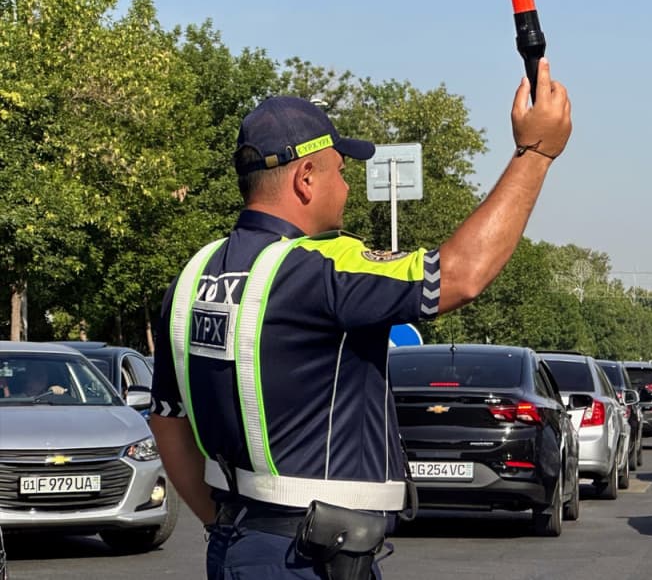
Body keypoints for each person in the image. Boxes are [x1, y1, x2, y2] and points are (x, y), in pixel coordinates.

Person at [150, 58, 571, 579]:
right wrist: (536, 153)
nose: (347, 188)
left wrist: (224, 524)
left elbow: (167, 419)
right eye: (341, 172)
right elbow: (460, 275)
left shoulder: (193, 275)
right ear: (306, 178)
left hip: (241, 543)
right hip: (307, 556)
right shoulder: (321, 266)